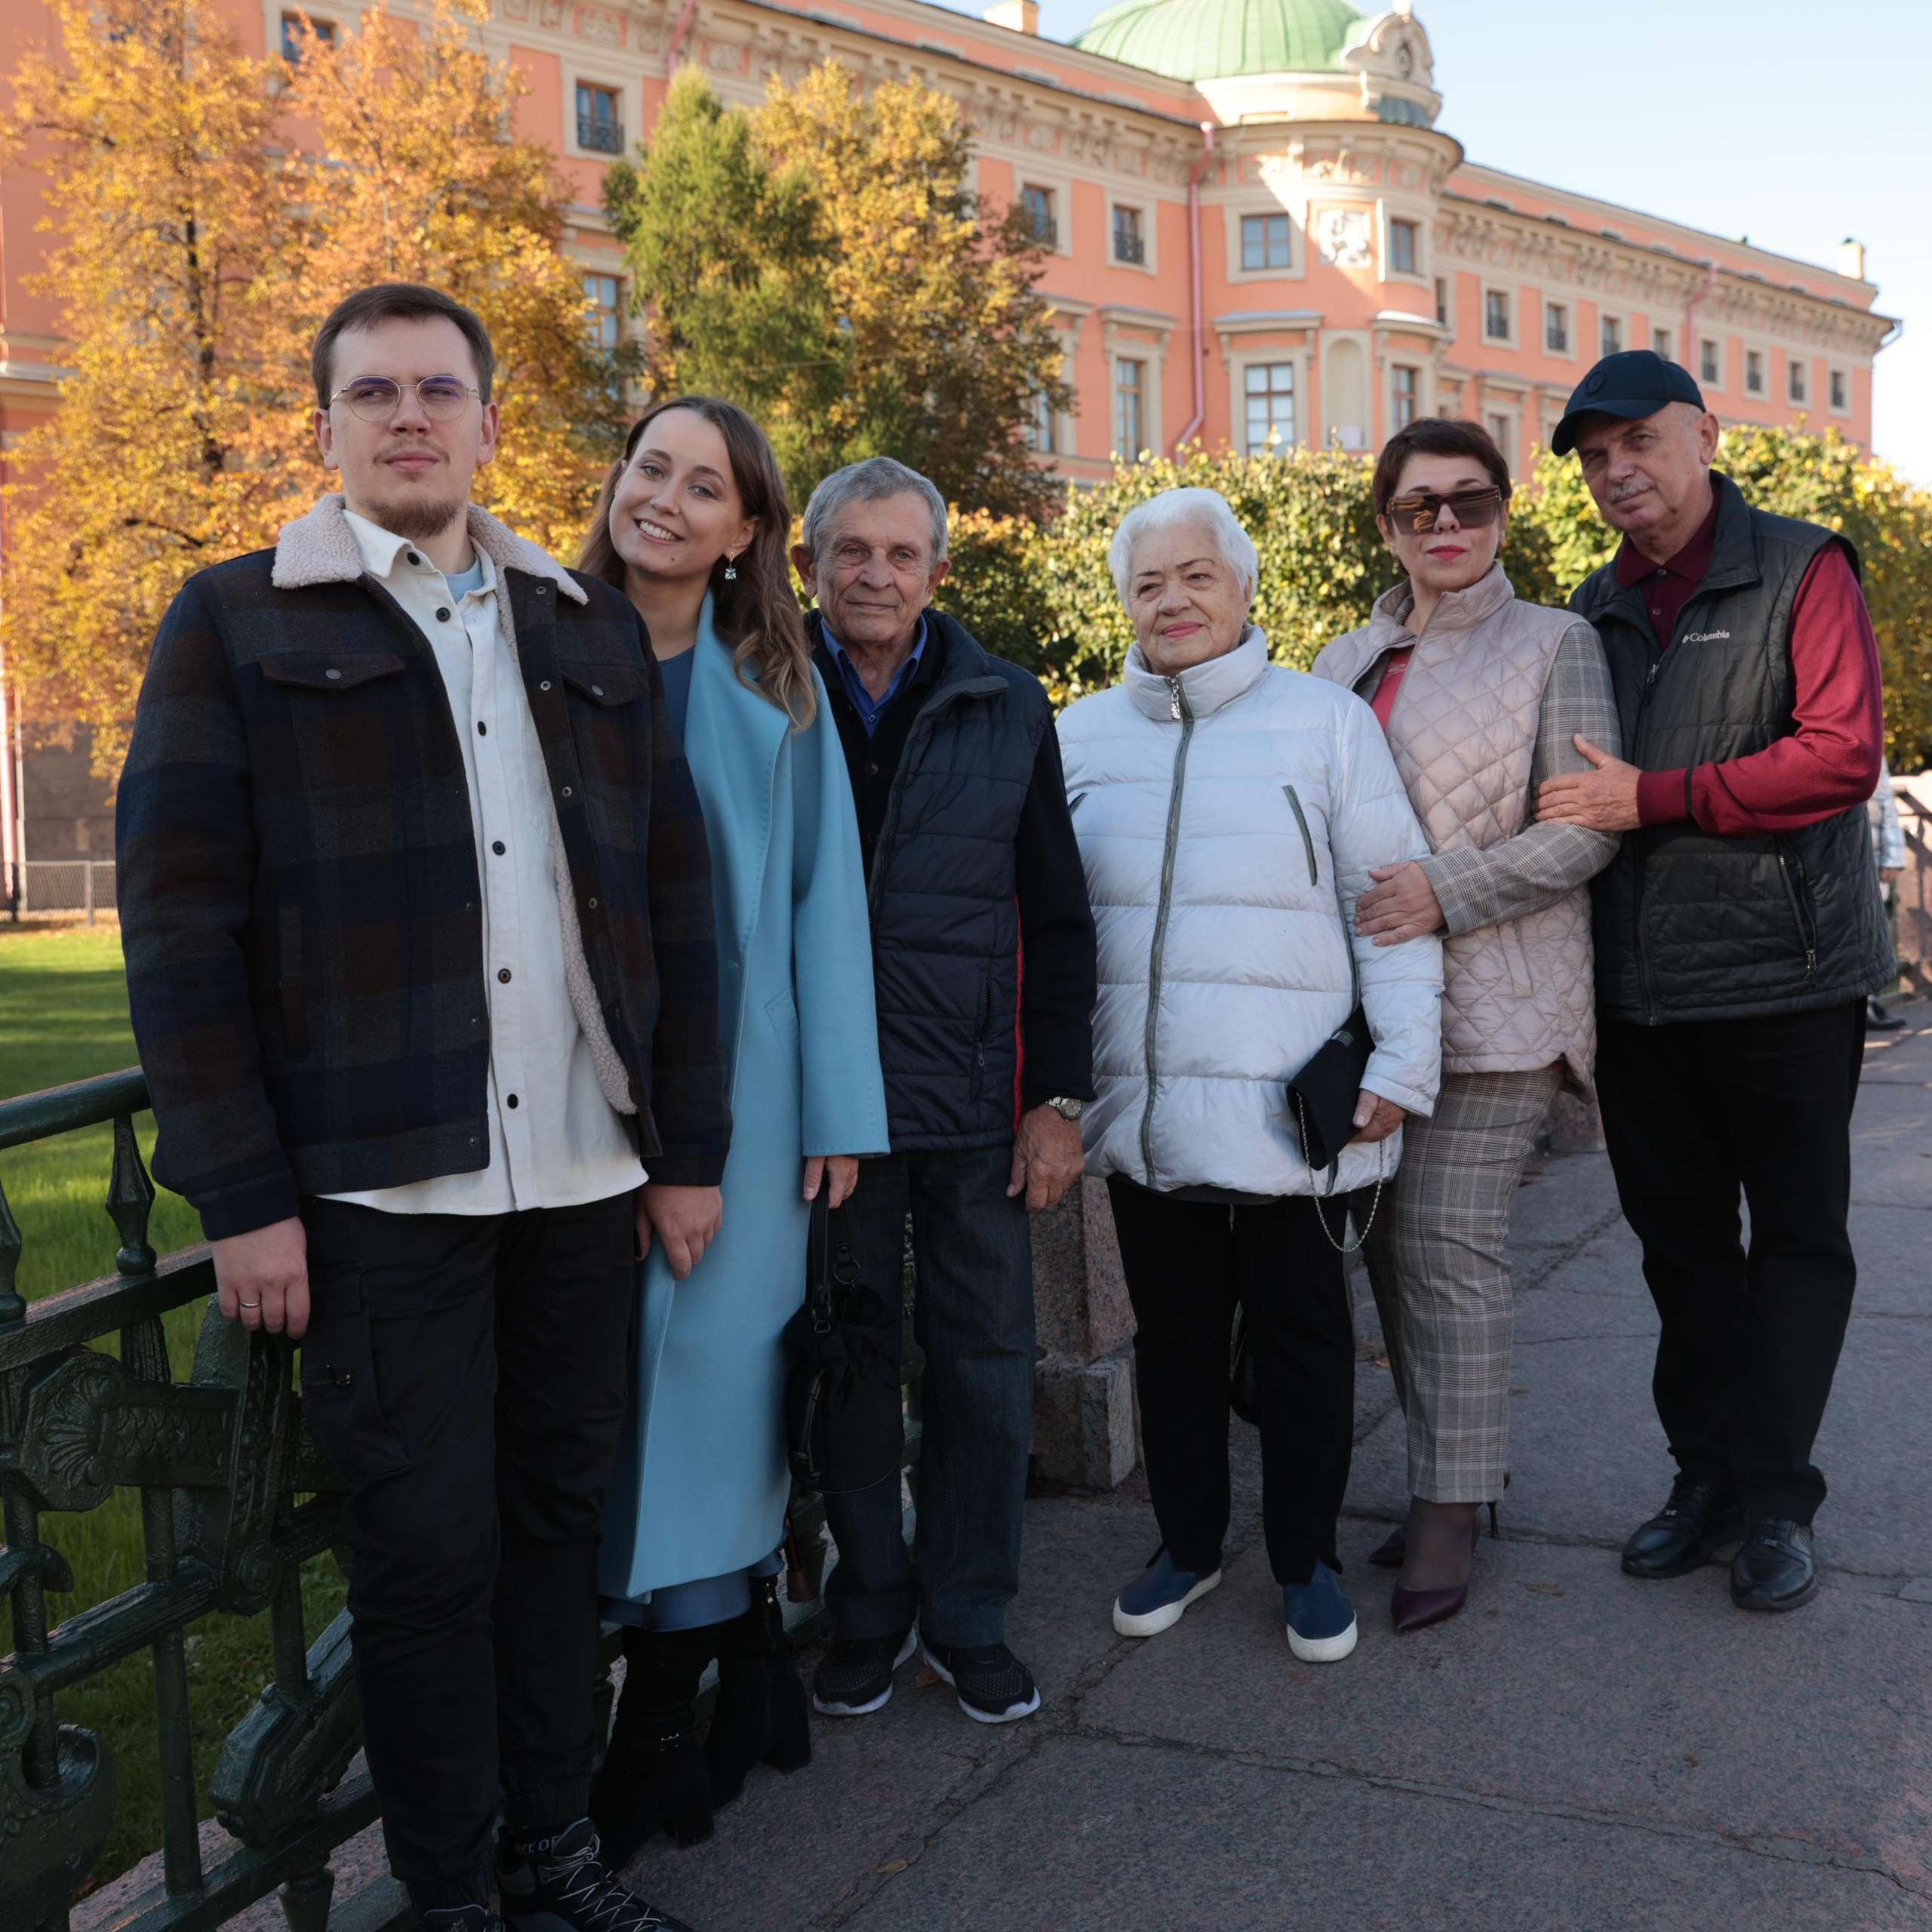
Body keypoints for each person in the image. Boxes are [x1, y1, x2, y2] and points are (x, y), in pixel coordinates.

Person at [115, 283, 730, 1932]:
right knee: (422, 1563)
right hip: (384, 1199)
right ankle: (449, 1896)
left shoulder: (585, 628)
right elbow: (179, 929)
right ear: (323, 422)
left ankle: (557, 1861)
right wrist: (237, 1192)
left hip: (589, 1181)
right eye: (371, 390)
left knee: (554, 1546)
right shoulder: (234, 619)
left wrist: (684, 1155)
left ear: (487, 420)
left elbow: (680, 906)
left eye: (437, 388)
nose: (407, 414)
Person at [578, 398, 888, 1859]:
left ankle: (656, 1740)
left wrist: (834, 1107)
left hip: (748, 1111)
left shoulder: (777, 677)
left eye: (705, 486)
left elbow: (827, 903)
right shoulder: (533, 638)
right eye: (652, 468)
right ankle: (754, 1669)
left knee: (708, 1400)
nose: (669, 499)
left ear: (744, 528)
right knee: (598, 1404)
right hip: (572, 1103)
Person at [1059, 486, 1443, 1663]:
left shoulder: (1325, 723)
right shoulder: (1074, 737)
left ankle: (1307, 1559)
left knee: (1303, 1344)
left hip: (1293, 1112)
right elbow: (1050, 927)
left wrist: (1404, 1060)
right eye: (1146, 583)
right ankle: (1187, 1542)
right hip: (1147, 1109)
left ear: (1242, 588)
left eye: (1195, 576)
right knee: (1173, 1340)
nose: (1171, 600)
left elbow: (1391, 908)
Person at [1539, 349, 1890, 1614]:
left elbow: (1841, 757)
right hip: (1642, 987)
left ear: (1703, 433)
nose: (1616, 471)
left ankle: (1776, 1497)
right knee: (1681, 1250)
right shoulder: (1590, 603)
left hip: (1787, 977)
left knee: (1796, 1244)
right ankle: (1704, 1478)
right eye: (1593, 458)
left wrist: (1658, 798)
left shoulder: (1805, 566)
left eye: (1638, 441)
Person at [791, 457, 1097, 1727]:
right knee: (849, 1369)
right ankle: (866, 1608)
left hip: (977, 1104)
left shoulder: (1004, 702)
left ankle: (968, 1615)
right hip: (830, 1120)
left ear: (937, 572)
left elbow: (1058, 917)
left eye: (899, 554)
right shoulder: (765, 689)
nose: (874, 574)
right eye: (850, 551)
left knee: (982, 1365)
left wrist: (1058, 1101)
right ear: (810, 563)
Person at [1311, 420, 1620, 1632]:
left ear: (1503, 513)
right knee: (1388, 1250)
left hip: (1504, 1003)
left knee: (1444, 1247)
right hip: (1367, 1015)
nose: (1445, 526)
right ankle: (1455, 1470)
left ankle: (1451, 1499)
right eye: (1418, 507)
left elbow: (1587, 826)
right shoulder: (1341, 656)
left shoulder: (1559, 642)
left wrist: (1445, 889)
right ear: (1385, 522)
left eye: (1470, 503)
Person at [1866, 759, 1907, 1031]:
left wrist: (1893, 858)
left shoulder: (1870, 731)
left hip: (1871, 855)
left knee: (1869, 934)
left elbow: (1885, 799)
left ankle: (1867, 1003)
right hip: (1833, 855)